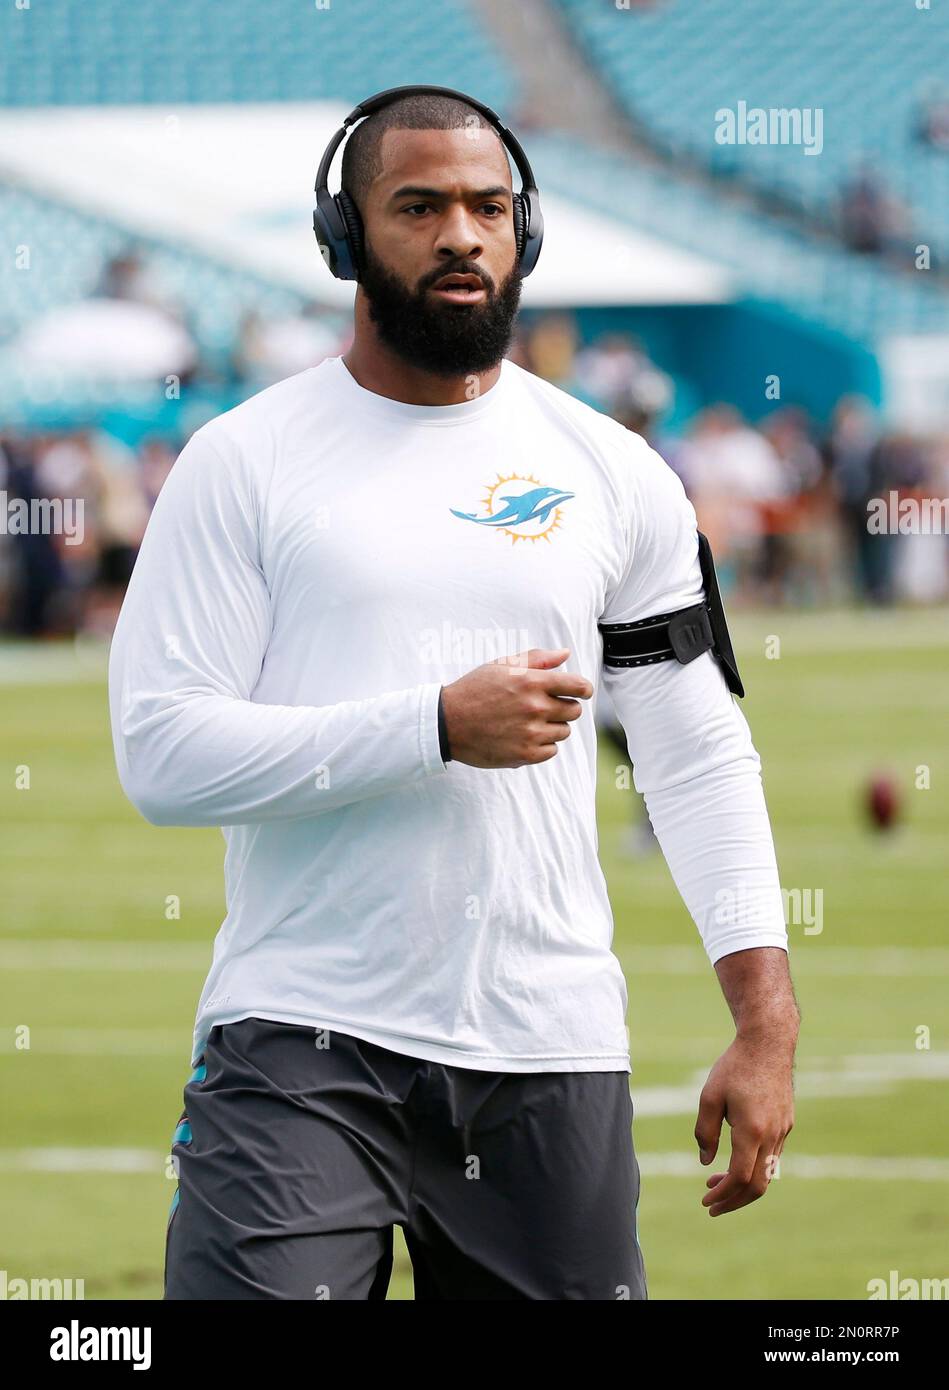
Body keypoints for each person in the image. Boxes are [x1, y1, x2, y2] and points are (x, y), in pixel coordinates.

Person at [108, 88, 799, 1302]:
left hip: (549, 1041)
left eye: (488, 207)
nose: (460, 237)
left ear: (524, 233)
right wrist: (430, 726)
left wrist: (763, 1019)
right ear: (346, 238)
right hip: (298, 1036)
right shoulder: (242, 461)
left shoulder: (616, 470)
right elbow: (164, 753)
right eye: (417, 206)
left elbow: (696, 752)